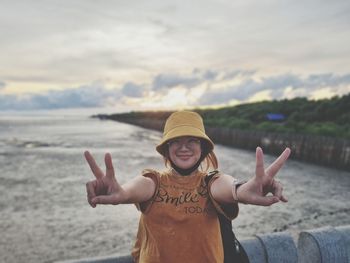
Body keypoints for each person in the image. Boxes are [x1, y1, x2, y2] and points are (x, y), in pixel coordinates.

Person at [84, 110, 291, 263]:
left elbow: (228, 187)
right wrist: (120, 193)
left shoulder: (211, 181)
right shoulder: (154, 181)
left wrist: (244, 189)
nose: (184, 147)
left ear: (203, 148)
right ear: (166, 149)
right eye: (176, 141)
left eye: (192, 140)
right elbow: (134, 189)